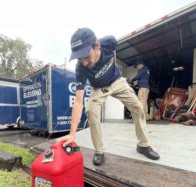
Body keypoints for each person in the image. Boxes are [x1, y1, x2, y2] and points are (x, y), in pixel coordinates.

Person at [58, 28, 160, 165]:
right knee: (91, 110)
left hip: (117, 81)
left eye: (86, 57)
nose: (84, 62)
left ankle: (143, 145)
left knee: (137, 107)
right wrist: (72, 133)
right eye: (79, 58)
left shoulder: (109, 42)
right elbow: (78, 101)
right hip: (98, 88)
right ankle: (99, 151)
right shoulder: (80, 69)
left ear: (97, 46)